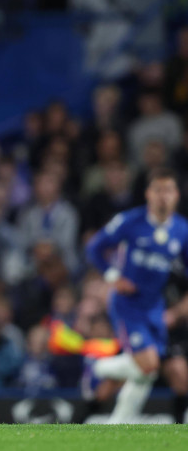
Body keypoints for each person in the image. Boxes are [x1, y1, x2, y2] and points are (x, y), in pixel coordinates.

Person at [84, 167, 188, 423]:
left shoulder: (182, 230)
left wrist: (177, 309)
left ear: (176, 195)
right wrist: (112, 276)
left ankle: (117, 425)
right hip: (128, 305)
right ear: (148, 194)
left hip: (155, 307)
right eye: (158, 190)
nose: (163, 196)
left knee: (146, 373)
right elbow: (94, 247)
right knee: (149, 364)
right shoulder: (130, 221)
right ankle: (98, 367)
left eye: (168, 190)